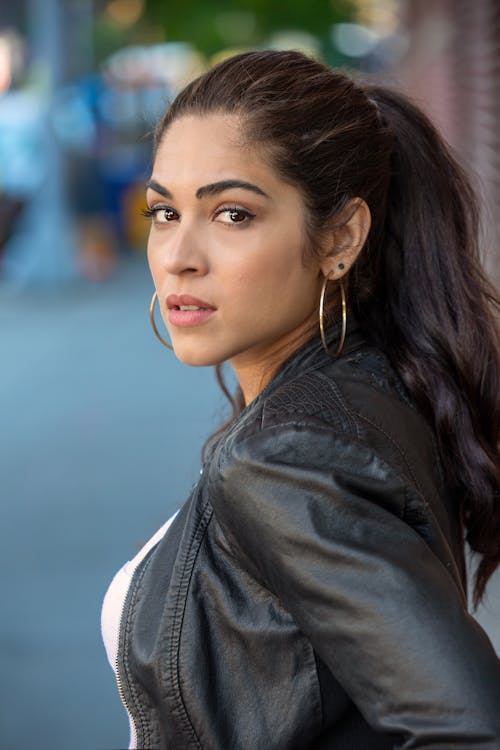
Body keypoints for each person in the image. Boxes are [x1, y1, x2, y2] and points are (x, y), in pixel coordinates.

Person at [101, 50, 500, 749]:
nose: (177, 256)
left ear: (340, 237)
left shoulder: (290, 454)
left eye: (231, 213)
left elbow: (467, 730)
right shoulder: (368, 386)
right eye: (163, 211)